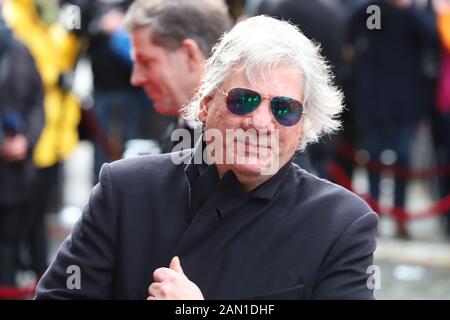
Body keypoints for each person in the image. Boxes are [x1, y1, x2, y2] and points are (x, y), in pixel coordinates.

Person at [35, 16, 378, 300]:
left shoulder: (340, 222)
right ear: (205, 103)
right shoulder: (125, 189)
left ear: (303, 126)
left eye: (284, 109)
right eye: (243, 100)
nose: (259, 123)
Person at [124, 0, 232, 153]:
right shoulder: (186, 127)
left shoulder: (231, 146)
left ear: (189, 55)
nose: (136, 79)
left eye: (147, 62)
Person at [0, 11, 44, 287]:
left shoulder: (20, 50)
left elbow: (37, 101)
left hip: (18, 172)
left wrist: (26, 139)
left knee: (12, 244)